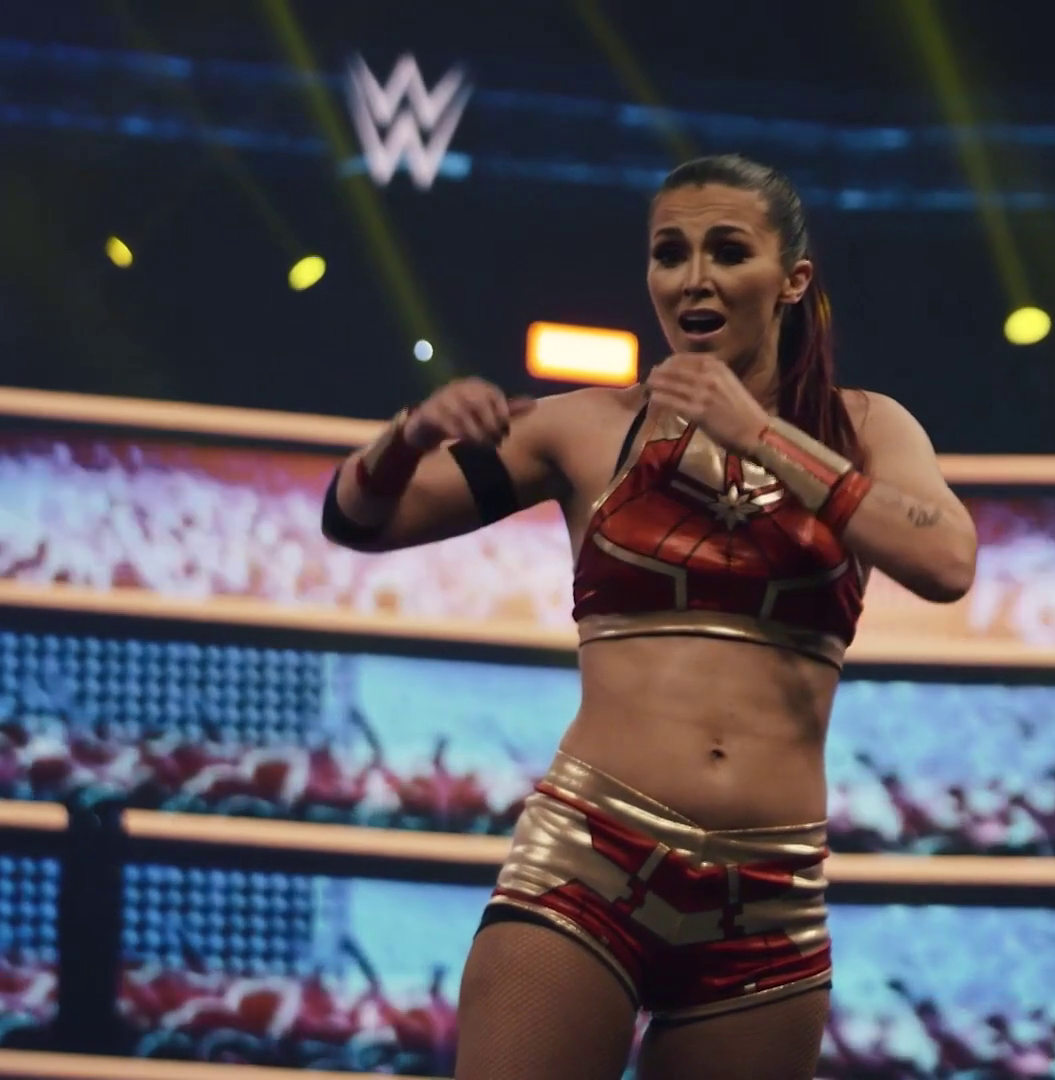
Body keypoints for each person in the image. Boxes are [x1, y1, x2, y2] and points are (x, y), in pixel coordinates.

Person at [319, 153, 979, 1079]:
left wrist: (758, 432)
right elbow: (357, 520)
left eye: (727, 251)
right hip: (589, 863)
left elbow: (947, 562)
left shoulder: (868, 427)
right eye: (670, 254)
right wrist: (410, 434)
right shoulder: (588, 427)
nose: (693, 278)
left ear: (793, 280)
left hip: (770, 899)